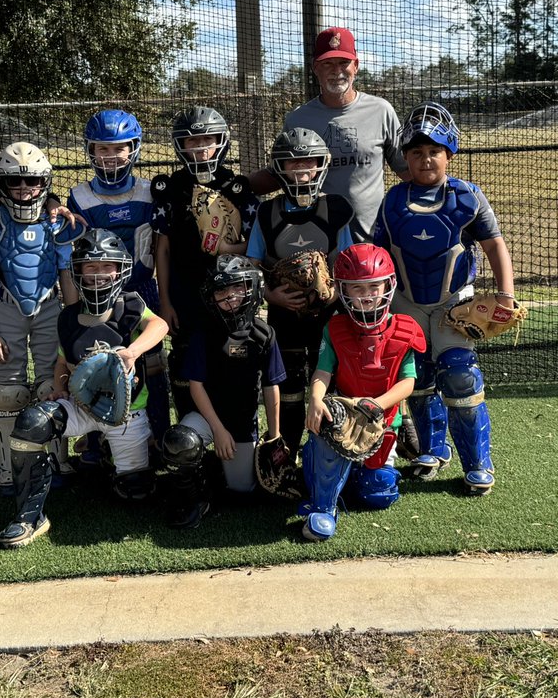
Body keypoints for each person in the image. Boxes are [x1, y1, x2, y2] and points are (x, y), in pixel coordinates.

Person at [373, 101, 517, 494]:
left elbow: (495, 247)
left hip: (453, 302)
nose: (425, 160)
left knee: (458, 373)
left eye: (434, 151)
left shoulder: (467, 197)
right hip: (405, 301)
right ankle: (433, 449)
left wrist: (505, 296)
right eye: (416, 153)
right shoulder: (392, 202)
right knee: (416, 376)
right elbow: (378, 255)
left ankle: (478, 462)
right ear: (404, 157)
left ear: (449, 154)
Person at [0, 228, 168, 548]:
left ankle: (107, 452)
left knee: (136, 491)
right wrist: (60, 388)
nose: (100, 274)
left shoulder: (130, 304)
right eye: (91, 267)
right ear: (78, 271)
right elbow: (63, 361)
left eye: (107, 266)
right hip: (81, 405)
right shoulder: (69, 316)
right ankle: (29, 516)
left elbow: (160, 325)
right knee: (31, 424)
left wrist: (133, 351)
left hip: (126, 413)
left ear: (121, 270)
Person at [301, 244, 423, 541]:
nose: (367, 294)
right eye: (357, 288)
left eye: (373, 286)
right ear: (343, 291)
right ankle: (323, 508)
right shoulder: (336, 328)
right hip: (347, 418)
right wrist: (315, 398)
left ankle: (356, 476)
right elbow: (323, 372)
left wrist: (377, 404)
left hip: (383, 424)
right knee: (331, 424)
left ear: (388, 285)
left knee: (377, 493)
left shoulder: (406, 328)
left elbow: (408, 382)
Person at [0, 141, 84, 496]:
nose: (25, 190)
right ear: (2, 184)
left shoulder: (56, 223)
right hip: (6, 307)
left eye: (33, 183)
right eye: (15, 183)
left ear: (45, 183)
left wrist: (72, 325)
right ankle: (10, 468)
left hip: (49, 307)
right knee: (8, 392)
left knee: (51, 386)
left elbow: (66, 275)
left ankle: (56, 460)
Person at [67, 109, 170, 459]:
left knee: (151, 364)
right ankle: (98, 440)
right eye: (102, 149)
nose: (111, 156)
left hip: (142, 289)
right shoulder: (79, 197)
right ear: (90, 151)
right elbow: (73, 254)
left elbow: (160, 246)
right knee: (96, 363)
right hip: (96, 294)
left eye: (119, 148)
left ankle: (158, 433)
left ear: (134, 148)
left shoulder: (149, 192)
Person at [246, 128, 353, 458]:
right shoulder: (267, 212)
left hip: (329, 317)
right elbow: (250, 267)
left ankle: (330, 451)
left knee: (331, 387)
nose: (302, 170)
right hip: (284, 316)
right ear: (278, 168)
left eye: (309, 162)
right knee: (288, 388)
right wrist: (270, 296)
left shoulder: (335, 209)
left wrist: (335, 294)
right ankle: (288, 448)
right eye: (293, 164)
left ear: (322, 165)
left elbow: (349, 264)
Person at [248, 27, 409, 241]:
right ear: (316, 68)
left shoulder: (381, 111)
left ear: (356, 66)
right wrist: (236, 184)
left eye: (344, 62)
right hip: (316, 242)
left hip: (372, 242)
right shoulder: (298, 119)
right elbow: (281, 174)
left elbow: (406, 169)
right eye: (327, 64)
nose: (337, 71)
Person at [161, 255, 285, 528]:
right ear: (211, 295)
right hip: (208, 417)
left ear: (251, 287)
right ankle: (197, 496)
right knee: (180, 441)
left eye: (237, 287)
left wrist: (274, 437)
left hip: (241, 421)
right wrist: (217, 429)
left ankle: (216, 467)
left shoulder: (264, 334)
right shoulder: (204, 333)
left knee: (242, 492)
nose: (230, 296)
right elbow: (196, 386)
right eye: (222, 290)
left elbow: (271, 385)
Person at [151, 106, 257, 419]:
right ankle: (189, 441)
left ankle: (233, 436)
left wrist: (228, 247)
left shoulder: (237, 188)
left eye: (207, 139)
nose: (200, 148)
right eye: (191, 141)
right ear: (179, 145)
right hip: (185, 293)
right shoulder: (171, 189)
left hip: (231, 294)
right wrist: (165, 301)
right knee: (185, 365)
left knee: (231, 362)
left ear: (222, 141)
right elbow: (163, 250)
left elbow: (254, 245)